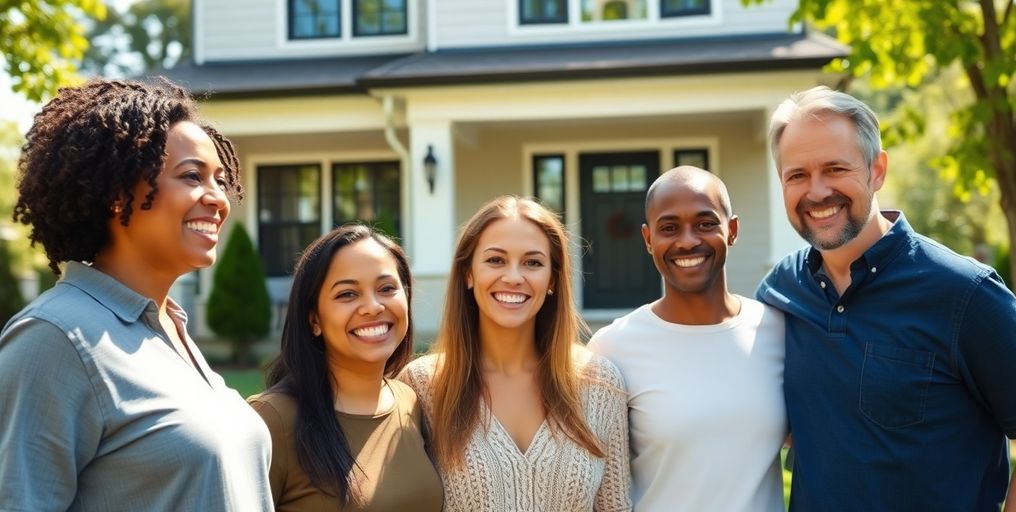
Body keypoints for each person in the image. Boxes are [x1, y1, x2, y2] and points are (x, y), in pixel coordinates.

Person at [0, 78, 272, 510]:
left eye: (220, 180)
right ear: (116, 195)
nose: (218, 198)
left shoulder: (170, 329)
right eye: (191, 176)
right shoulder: (54, 338)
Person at [757, 85, 1016, 511]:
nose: (818, 191)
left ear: (877, 170)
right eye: (798, 175)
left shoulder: (964, 294)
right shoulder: (780, 293)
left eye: (835, 168)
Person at [399, 196, 631, 512]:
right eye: (495, 260)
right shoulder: (422, 385)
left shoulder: (602, 383)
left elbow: (615, 507)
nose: (513, 277)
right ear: (468, 273)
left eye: (533, 263)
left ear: (552, 280)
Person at [588, 166, 787, 511]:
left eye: (706, 223)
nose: (688, 240)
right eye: (669, 228)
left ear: (733, 230)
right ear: (649, 240)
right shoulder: (612, 348)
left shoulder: (778, 330)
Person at [249, 225, 443, 511]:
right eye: (347, 294)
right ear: (314, 319)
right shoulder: (271, 420)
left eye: (387, 288)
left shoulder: (409, 401)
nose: (373, 306)